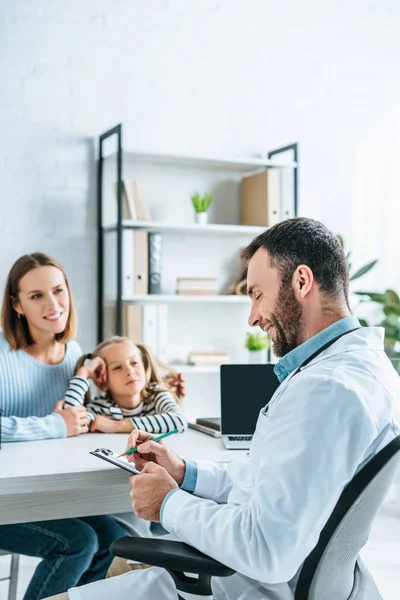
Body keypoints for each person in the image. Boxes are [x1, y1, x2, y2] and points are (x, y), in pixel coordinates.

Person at [46, 218, 400, 600]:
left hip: (255, 585)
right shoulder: (364, 368)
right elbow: (269, 483)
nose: (252, 317)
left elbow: (267, 550)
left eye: (257, 295)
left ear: (301, 282)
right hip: (298, 579)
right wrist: (185, 473)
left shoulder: (325, 391)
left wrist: (167, 504)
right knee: (118, 566)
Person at [0, 252, 185, 600]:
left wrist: (164, 382)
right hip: (7, 498)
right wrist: (54, 425)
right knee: (79, 542)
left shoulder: (73, 354)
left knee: (115, 539)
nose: (53, 304)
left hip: (47, 491)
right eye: (36, 296)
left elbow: (105, 395)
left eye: (58, 291)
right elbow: (62, 425)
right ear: (17, 305)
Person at [63, 336, 187, 434]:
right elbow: (71, 422)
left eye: (134, 362)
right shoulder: (100, 409)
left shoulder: (156, 396)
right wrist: (83, 374)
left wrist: (116, 426)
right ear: (102, 381)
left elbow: (179, 421)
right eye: (117, 367)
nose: (129, 371)